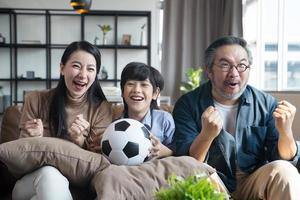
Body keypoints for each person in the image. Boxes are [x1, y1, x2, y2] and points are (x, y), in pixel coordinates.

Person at [173, 36, 300, 200]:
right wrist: (206, 136)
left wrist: (286, 132)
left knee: (284, 170)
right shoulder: (188, 104)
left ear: (248, 69)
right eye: (225, 65)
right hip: (212, 178)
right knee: (198, 175)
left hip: (253, 179)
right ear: (209, 71)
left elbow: (286, 158)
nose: (234, 73)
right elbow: (189, 163)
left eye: (241, 65)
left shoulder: (266, 104)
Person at [12, 41, 112, 200]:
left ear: (96, 74)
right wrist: (33, 139)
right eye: (77, 66)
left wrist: (78, 141)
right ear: (62, 68)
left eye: (90, 69)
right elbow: (19, 159)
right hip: (31, 182)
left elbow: (99, 166)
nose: (83, 74)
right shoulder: (35, 99)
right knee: (50, 175)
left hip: (73, 187)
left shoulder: (102, 109)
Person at [119, 62, 175, 158]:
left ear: (155, 93)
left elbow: (177, 153)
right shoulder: (116, 124)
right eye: (131, 84)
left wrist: (164, 151)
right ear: (122, 91)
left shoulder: (164, 119)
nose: (136, 90)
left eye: (144, 85)